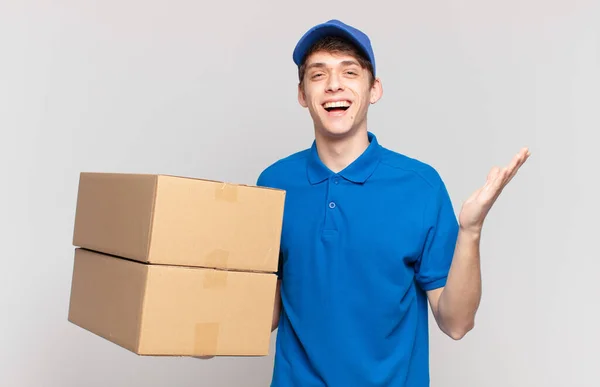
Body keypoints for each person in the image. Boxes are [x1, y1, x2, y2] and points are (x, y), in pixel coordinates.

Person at [255, 19, 530, 387]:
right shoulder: (272, 184)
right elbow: (261, 314)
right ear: (303, 94)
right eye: (318, 74)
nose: (334, 84)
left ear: (374, 89)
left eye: (349, 72)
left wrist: (471, 231)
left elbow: (457, 322)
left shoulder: (420, 186)